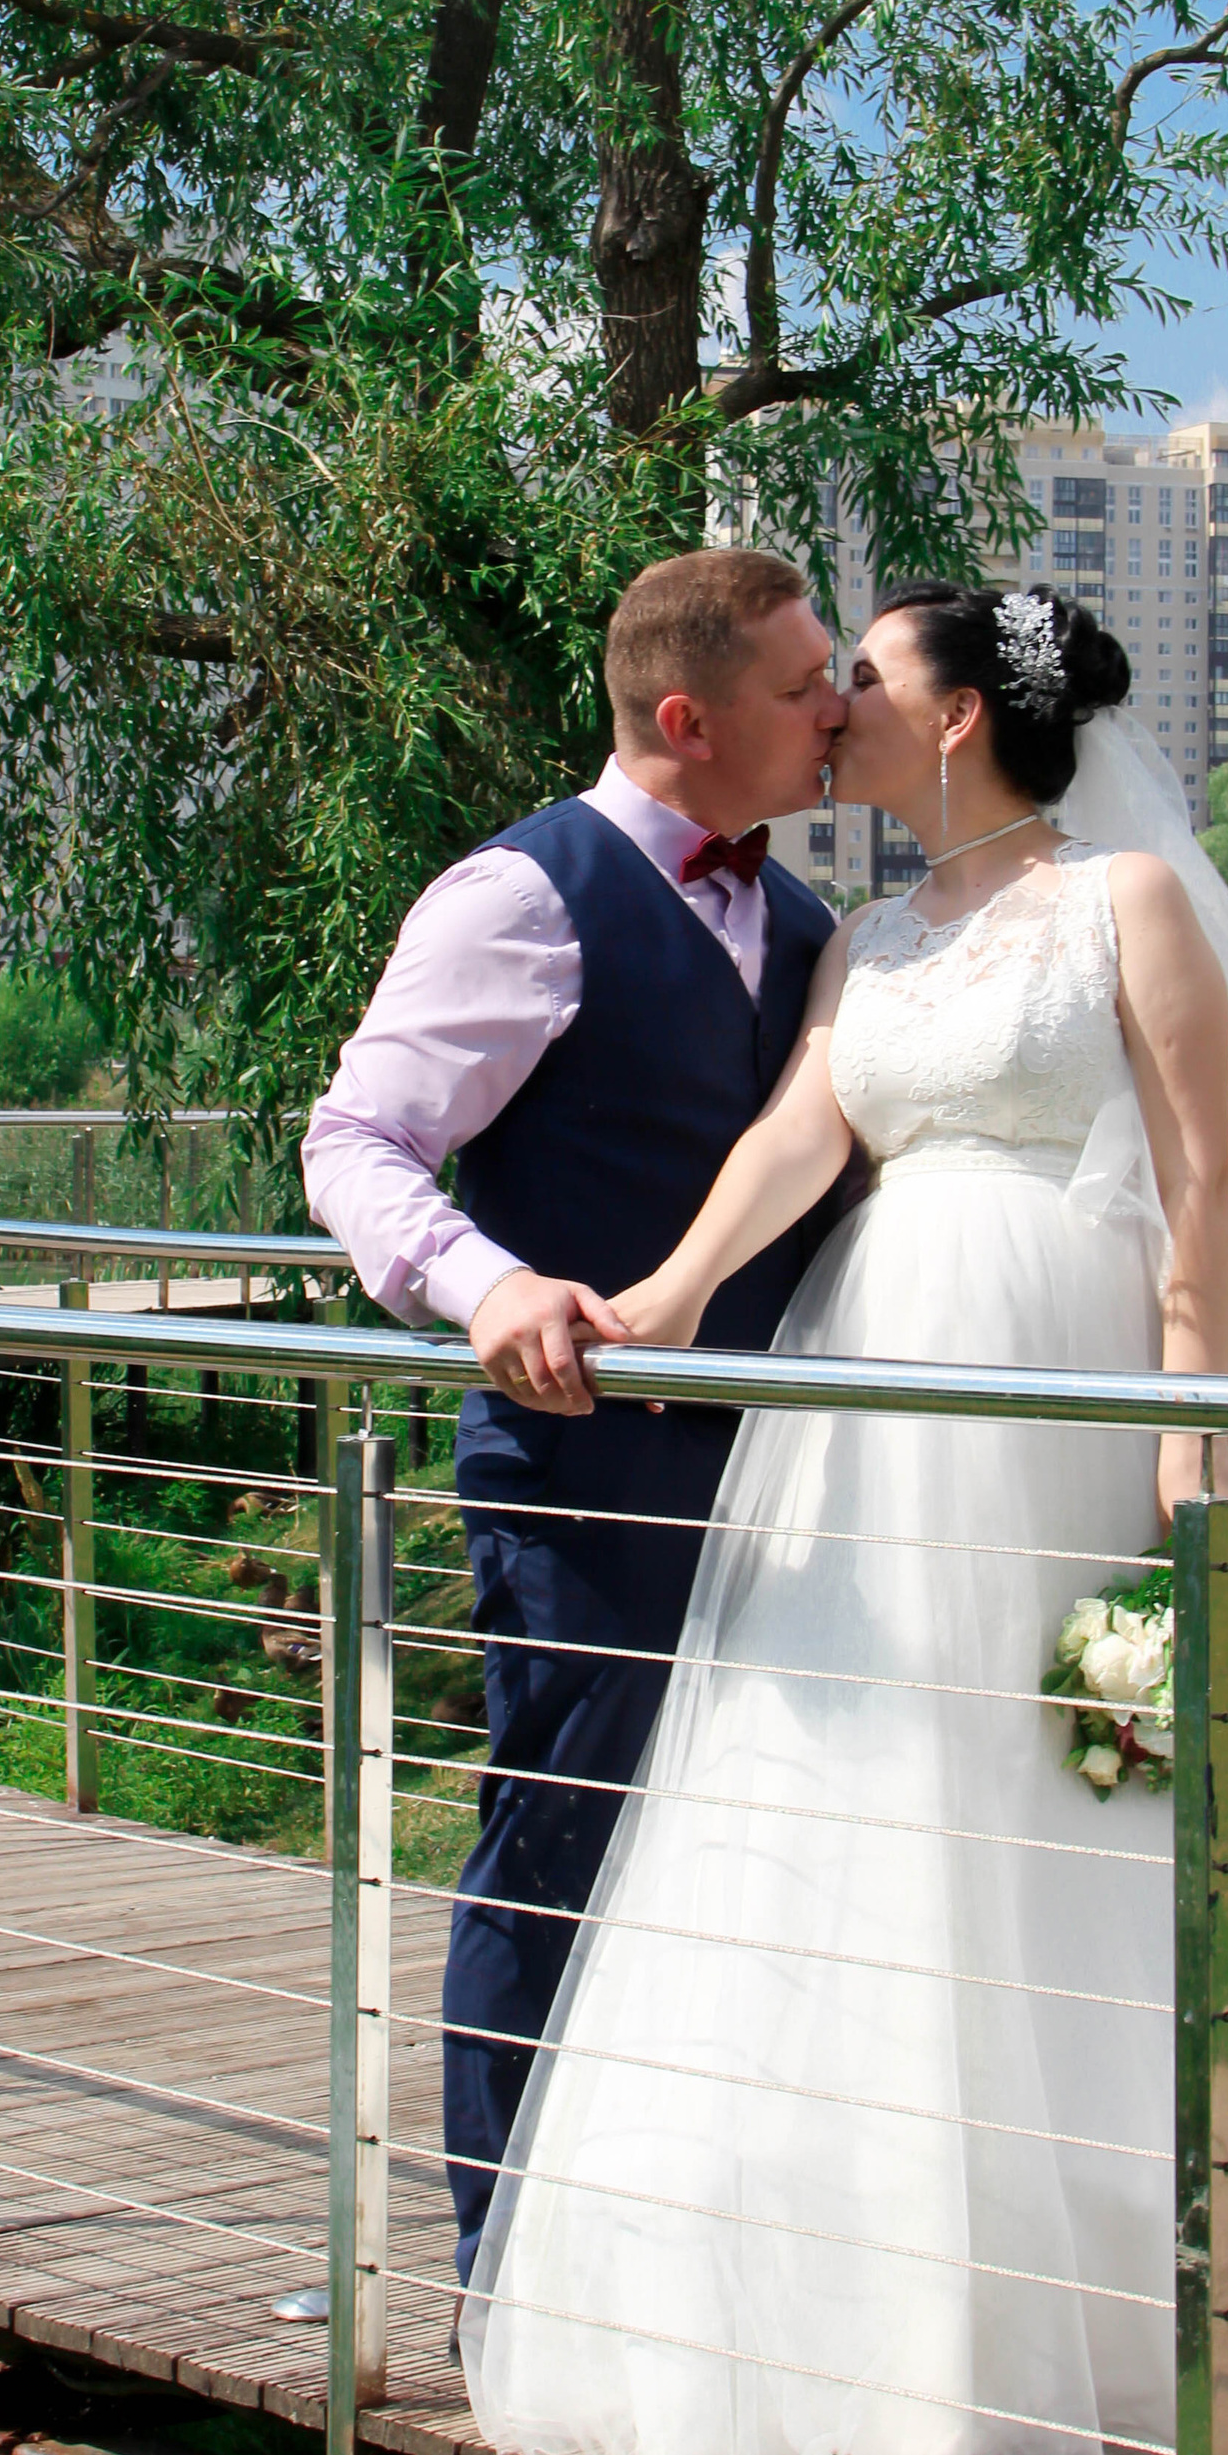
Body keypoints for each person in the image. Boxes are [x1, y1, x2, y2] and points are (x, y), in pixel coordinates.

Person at [462, 582, 1228, 2455]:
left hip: (1069, 1407)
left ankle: (1212, 2320)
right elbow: (797, 1140)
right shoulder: (865, 938)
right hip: (874, 1424)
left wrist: (1187, 1454)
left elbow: (1196, 1196)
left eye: (864, 674)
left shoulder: (1130, 909)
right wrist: (670, 1289)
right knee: (879, 1825)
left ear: (955, 721)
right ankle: (923, 2350)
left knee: (1098, 1820)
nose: (832, 701)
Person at [302, 548, 849, 2279]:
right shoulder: (521, 897)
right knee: (563, 1836)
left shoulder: (818, 929)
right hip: (587, 1472)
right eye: (798, 686)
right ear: (688, 718)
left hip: (795, 1484)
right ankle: (503, 2276)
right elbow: (352, 1146)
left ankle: (693, 2263)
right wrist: (490, 1289)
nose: (835, 711)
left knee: (757, 1871)